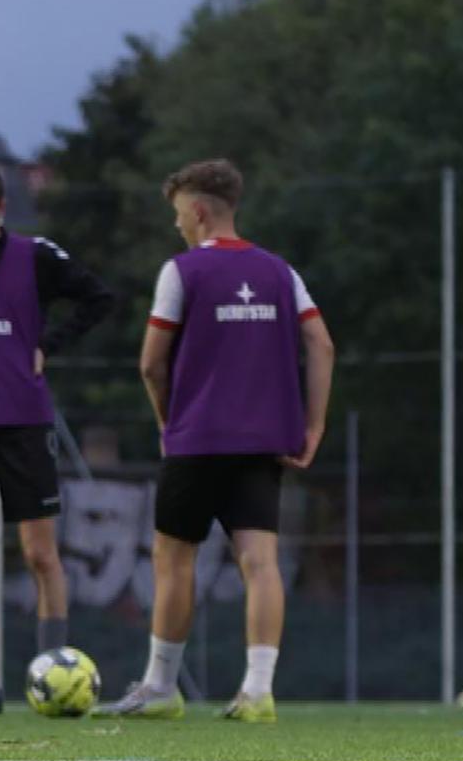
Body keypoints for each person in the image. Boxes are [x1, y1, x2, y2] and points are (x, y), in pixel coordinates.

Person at [97, 159, 332, 722]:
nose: (178, 224)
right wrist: (313, 424)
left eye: (179, 213)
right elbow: (321, 345)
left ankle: (160, 687)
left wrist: (165, 421)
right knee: (260, 562)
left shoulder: (182, 272)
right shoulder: (280, 272)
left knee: (174, 558)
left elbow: (152, 365)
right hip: (261, 443)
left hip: (197, 439)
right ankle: (257, 692)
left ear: (198, 211)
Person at [0, 162, 119, 714]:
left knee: (40, 554)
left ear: (1, 210)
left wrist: (49, 344)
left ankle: (54, 677)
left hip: (23, 424)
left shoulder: (34, 255)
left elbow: (98, 298)